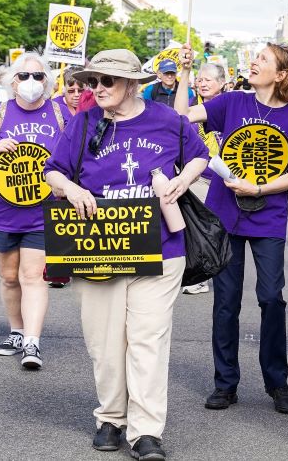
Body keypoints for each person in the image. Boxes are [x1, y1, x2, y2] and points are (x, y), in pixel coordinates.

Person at [44, 49, 208, 461]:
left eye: (108, 81)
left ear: (133, 84)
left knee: (148, 339)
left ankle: (146, 430)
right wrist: (72, 188)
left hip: (159, 247)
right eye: (93, 81)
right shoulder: (83, 123)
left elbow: (200, 156)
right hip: (98, 247)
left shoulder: (169, 120)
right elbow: (52, 170)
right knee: (104, 341)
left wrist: (180, 182)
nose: (97, 88)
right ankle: (111, 417)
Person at [175, 41, 288, 415]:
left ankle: (277, 382)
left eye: (263, 59)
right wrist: (185, 73)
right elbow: (183, 116)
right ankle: (225, 383)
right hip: (225, 217)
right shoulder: (232, 101)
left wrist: (259, 188)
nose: (254, 62)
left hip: (267, 218)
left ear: (281, 74)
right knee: (226, 303)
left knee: (271, 298)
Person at [0, 53, 65, 369]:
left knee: (33, 276)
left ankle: (32, 343)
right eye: (24, 76)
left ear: (48, 82)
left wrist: (64, 183)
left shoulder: (60, 113)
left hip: (43, 211)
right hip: (2, 208)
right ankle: (16, 331)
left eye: (38, 76)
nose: (31, 83)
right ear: (12, 81)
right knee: (9, 277)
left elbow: (75, 157)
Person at [181, 62, 227, 295]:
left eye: (208, 79)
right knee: (199, 226)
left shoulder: (230, 108)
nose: (202, 83)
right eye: (200, 79)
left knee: (219, 227)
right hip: (198, 176)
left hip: (226, 178)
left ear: (222, 84)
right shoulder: (190, 108)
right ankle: (200, 274)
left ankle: (219, 269)